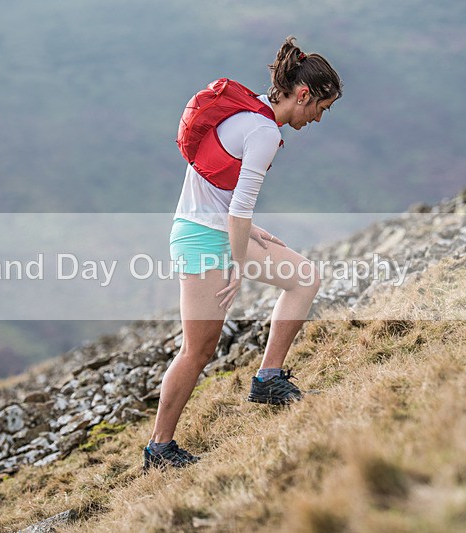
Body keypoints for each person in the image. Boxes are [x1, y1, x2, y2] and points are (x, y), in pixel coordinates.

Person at [144, 36, 342, 469]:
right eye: (320, 109)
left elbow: (224, 196)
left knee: (303, 277)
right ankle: (159, 449)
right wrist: (238, 259)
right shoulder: (264, 132)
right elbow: (239, 207)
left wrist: (257, 237)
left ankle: (268, 378)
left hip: (211, 227)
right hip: (204, 238)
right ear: (303, 94)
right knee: (197, 350)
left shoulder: (250, 107)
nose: (317, 119)